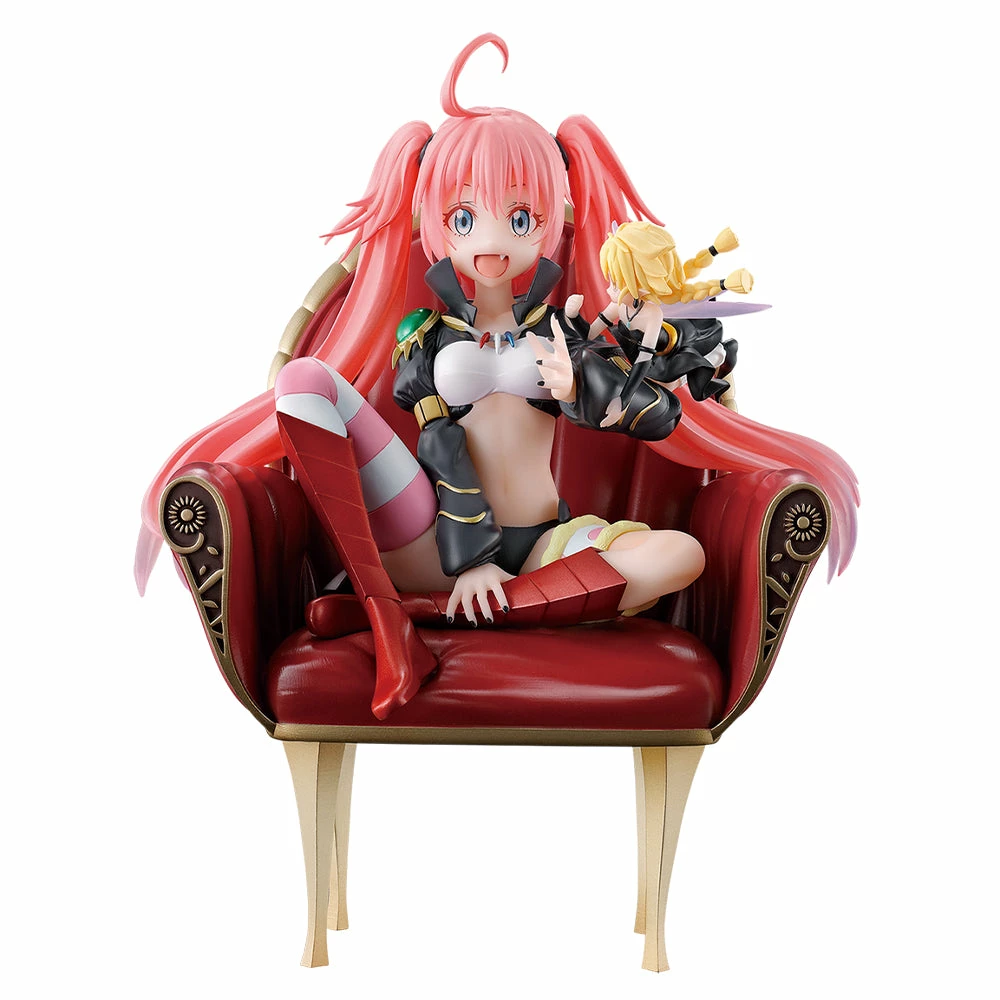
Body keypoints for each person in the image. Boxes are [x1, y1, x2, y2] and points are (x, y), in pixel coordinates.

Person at [136, 33, 858, 716]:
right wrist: (471, 558)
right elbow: (440, 446)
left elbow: (654, 418)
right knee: (304, 383)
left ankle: (439, 613)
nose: (489, 240)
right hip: (428, 537)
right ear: (436, 222)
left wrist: (585, 387)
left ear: (547, 223)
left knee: (681, 554)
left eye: (518, 218)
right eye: (463, 218)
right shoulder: (424, 337)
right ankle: (403, 605)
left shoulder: (566, 329)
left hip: (542, 546)